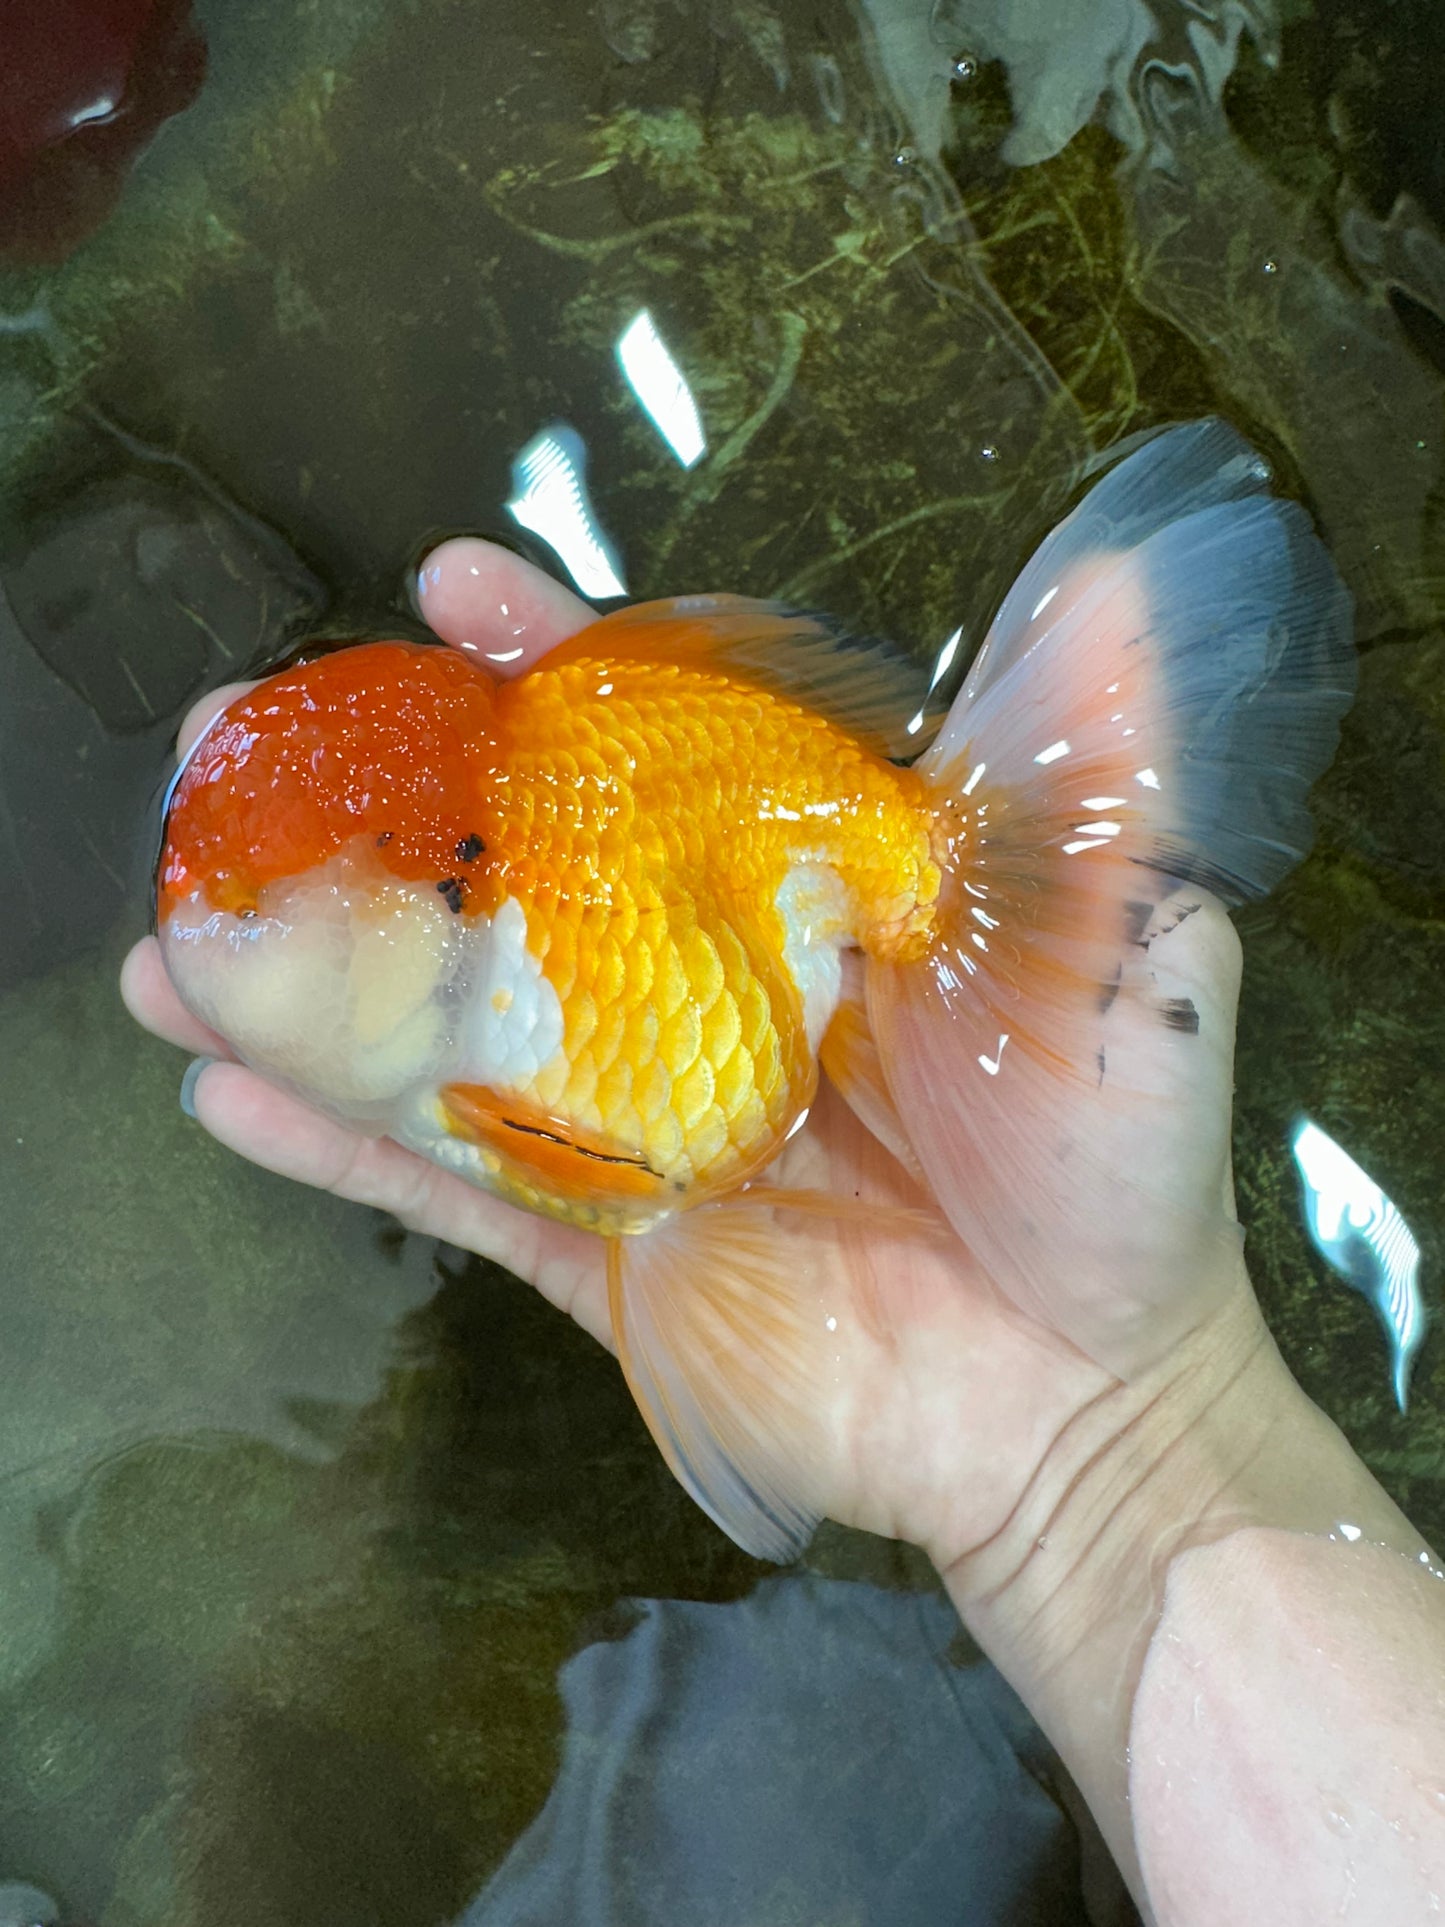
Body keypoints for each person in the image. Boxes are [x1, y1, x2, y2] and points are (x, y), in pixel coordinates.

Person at [123, 535, 1445, 1924]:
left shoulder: (508, 960)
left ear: (440, 894)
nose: (211, 921)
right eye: (214, 887)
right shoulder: (443, 992)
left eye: (260, 906)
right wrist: (1140, 1444)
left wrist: (1135, 1426)